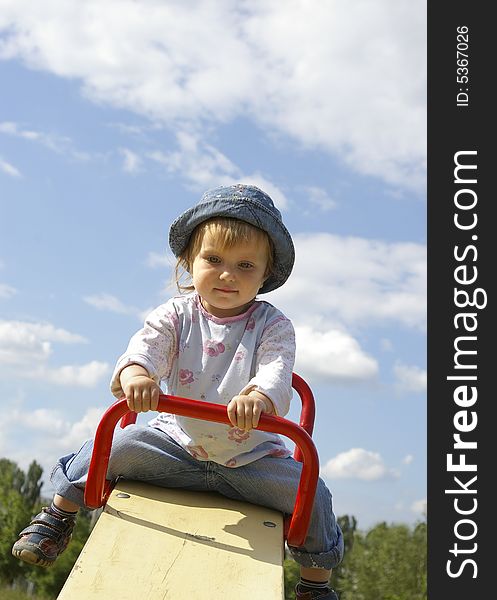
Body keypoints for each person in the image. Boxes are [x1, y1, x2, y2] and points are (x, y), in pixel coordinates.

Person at [12, 184, 344, 599]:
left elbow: (277, 371)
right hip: (176, 445)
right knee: (115, 441)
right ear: (190, 260)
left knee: (312, 492)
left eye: (245, 265)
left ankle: (314, 583)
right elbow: (143, 352)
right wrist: (138, 377)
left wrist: (258, 397)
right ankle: (57, 515)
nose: (228, 274)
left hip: (251, 458)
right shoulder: (174, 314)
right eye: (214, 259)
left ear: (265, 274)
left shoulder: (273, 325)